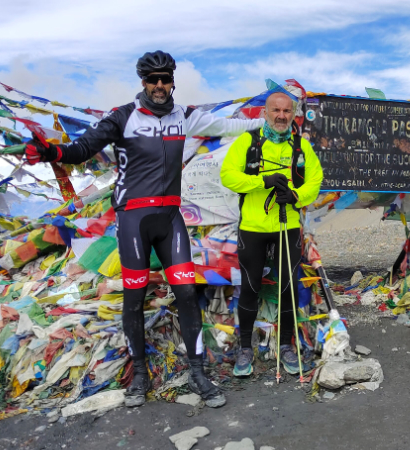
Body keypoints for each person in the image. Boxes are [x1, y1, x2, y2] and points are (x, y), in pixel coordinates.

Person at [25, 51, 267, 408]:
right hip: (134, 221)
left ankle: (198, 373)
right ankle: (139, 375)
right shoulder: (123, 117)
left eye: (165, 78)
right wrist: (50, 153)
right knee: (134, 300)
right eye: (152, 79)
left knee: (186, 295)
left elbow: (228, 127)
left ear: (172, 81)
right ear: (143, 82)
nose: (159, 85)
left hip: (171, 219)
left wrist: (270, 123)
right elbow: (82, 148)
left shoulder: (185, 116)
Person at [220, 87, 323, 378]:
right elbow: (228, 175)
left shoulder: (301, 147)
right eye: (275, 110)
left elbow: (315, 180)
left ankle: (287, 346)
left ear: (293, 114)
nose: (281, 116)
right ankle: (244, 349)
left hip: (287, 226)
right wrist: (263, 181)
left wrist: (295, 196)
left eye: (286, 111)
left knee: (288, 288)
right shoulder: (248, 142)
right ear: (265, 112)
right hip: (252, 227)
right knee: (251, 287)